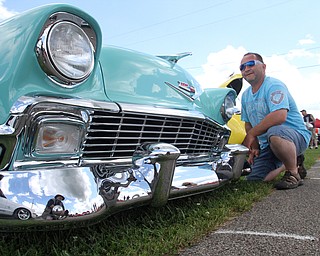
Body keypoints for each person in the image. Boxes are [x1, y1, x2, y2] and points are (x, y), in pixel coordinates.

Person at [240, 52, 311, 189]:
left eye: (250, 64)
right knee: (255, 179)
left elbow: (279, 116)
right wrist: (254, 145)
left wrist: (251, 135)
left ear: (263, 67)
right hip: (269, 143)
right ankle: (288, 164)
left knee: (275, 131)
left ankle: (293, 174)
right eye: (242, 67)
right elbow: (247, 123)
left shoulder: (273, 85)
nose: (246, 69)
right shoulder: (245, 95)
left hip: (295, 136)